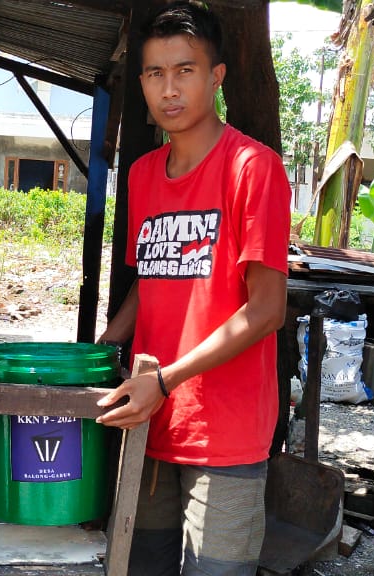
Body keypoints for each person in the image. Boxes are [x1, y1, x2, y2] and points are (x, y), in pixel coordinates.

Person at [94, 2, 291, 574]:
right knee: (143, 566)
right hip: (150, 422)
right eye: (155, 73)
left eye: (184, 71)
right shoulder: (142, 174)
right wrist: (104, 349)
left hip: (223, 433)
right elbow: (149, 283)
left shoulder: (253, 169)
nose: (168, 89)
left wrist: (165, 379)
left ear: (216, 76)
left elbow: (267, 310)